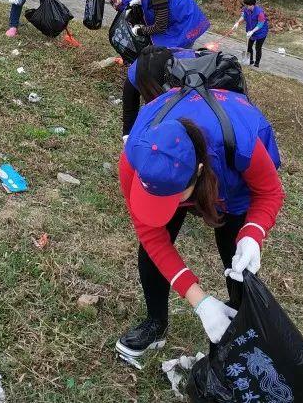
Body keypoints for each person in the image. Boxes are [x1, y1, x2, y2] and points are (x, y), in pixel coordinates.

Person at [116, 75, 284, 361]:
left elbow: (270, 192)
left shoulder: (239, 143)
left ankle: (241, 326)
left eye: (172, 198)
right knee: (152, 249)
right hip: (188, 174)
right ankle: (156, 323)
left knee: (236, 255)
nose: (163, 206)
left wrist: (253, 234)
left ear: (198, 170)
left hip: (229, 181)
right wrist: (200, 301)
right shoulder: (135, 157)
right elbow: (152, 236)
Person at [232, 0, 268, 68]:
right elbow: (243, 16)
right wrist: (238, 23)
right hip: (250, 31)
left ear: (252, 5)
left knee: (258, 48)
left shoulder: (259, 12)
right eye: (246, 5)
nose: (246, 7)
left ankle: (257, 63)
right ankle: (250, 60)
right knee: (249, 46)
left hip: (261, 32)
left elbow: (260, 24)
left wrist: (252, 31)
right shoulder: (246, 9)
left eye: (248, 5)